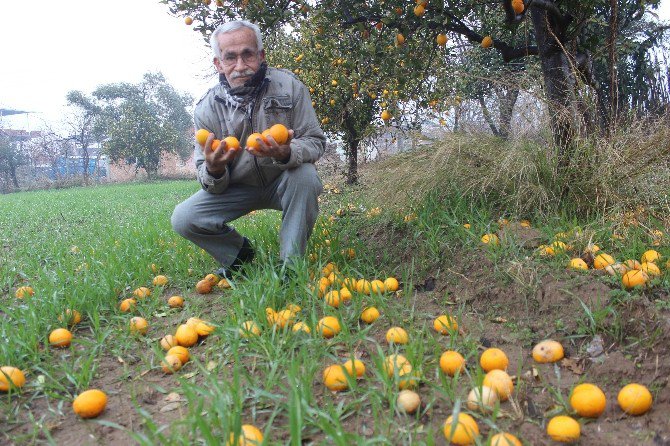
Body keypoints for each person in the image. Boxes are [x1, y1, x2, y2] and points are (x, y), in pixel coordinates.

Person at [171, 20, 326, 279]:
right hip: (238, 187)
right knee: (184, 218)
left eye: (248, 54)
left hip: (283, 180)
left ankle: (291, 266)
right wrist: (214, 168)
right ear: (218, 64)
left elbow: (315, 141)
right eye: (230, 57)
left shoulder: (289, 87)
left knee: (305, 176)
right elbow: (208, 180)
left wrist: (286, 153)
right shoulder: (206, 108)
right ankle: (238, 254)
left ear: (261, 55)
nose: (240, 66)